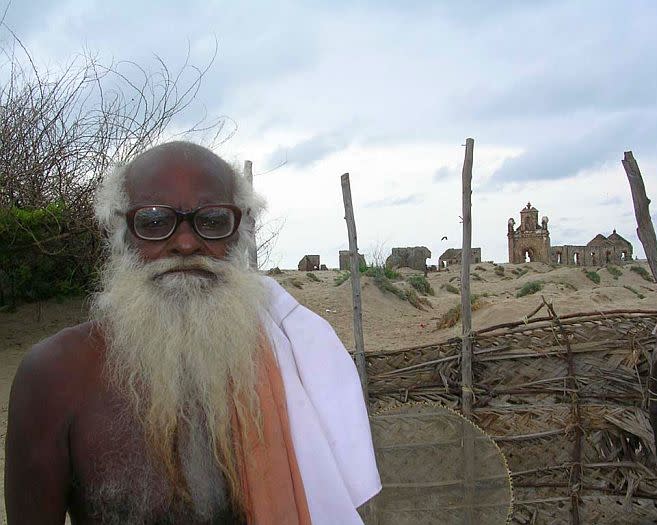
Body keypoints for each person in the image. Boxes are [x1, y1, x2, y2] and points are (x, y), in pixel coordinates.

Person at [4, 141, 381, 524]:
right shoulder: (54, 375)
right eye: (153, 222)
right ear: (119, 231)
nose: (185, 243)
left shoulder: (292, 364)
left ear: (241, 230)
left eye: (213, 221)